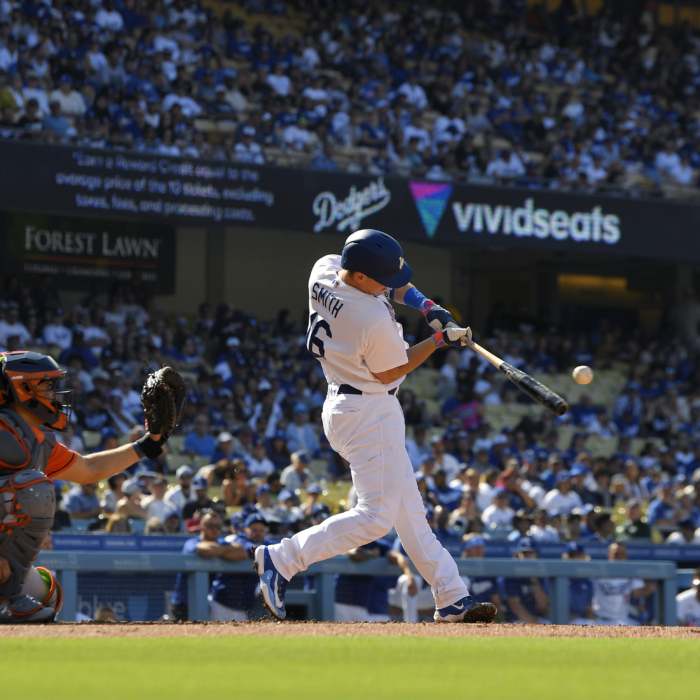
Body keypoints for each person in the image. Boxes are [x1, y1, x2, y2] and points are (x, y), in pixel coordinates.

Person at [253, 229, 496, 623]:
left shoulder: (325, 270)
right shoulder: (368, 319)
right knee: (376, 518)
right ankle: (282, 558)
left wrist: (427, 305)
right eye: (383, 278)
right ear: (362, 276)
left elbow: (393, 287)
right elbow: (392, 372)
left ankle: (451, 595)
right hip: (369, 410)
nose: (391, 284)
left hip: (346, 400)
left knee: (410, 514)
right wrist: (438, 341)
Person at [0, 351, 169, 622]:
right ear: (22, 387)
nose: (56, 393)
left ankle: (7, 597)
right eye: (48, 385)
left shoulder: (37, 439)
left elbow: (89, 470)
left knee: (49, 596)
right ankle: (4, 600)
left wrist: (147, 444)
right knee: (34, 489)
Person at [208, 512, 276, 621]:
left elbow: (277, 549)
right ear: (246, 530)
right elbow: (252, 549)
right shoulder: (238, 539)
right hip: (221, 602)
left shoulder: (267, 542)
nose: (257, 533)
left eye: (261, 530)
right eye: (254, 530)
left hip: (242, 607)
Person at [335, 538, 414, 622]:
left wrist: (409, 575)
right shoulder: (354, 538)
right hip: (341, 602)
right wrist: (373, 554)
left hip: (361, 604)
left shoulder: (379, 545)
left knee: (361, 634)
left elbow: (398, 557)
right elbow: (355, 554)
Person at [170, 512, 225, 621]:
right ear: (202, 527)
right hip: (184, 603)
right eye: (210, 526)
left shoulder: (221, 542)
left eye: (218, 526)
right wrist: (224, 551)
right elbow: (207, 550)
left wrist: (219, 550)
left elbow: (240, 552)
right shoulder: (191, 542)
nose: (215, 529)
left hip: (206, 602)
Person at [592, 542, 654, 625]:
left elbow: (639, 594)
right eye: (616, 554)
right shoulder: (598, 573)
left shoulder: (631, 574)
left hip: (623, 620)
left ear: (626, 556)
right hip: (601, 620)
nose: (619, 557)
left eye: (622, 554)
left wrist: (646, 589)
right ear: (609, 555)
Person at [502, 537, 551, 624]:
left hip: (537, 618)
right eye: (525, 553)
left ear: (536, 555)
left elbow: (543, 605)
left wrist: (534, 581)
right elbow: (516, 607)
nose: (528, 557)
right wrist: (536, 625)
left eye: (531, 553)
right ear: (518, 555)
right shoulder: (511, 575)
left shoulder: (540, 575)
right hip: (514, 621)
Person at [562, 542, 594, 624]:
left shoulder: (588, 581)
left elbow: (589, 608)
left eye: (578, 555)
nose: (575, 559)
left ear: (584, 557)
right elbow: (548, 607)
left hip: (581, 620)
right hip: (561, 619)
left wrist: (591, 623)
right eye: (572, 556)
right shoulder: (560, 578)